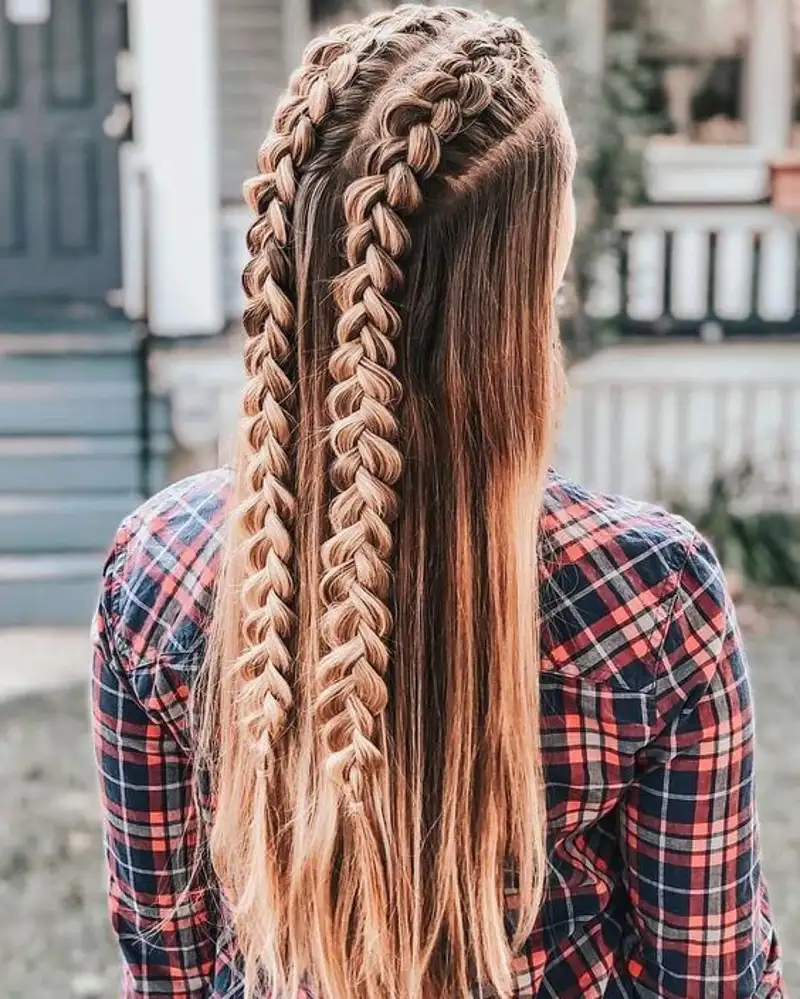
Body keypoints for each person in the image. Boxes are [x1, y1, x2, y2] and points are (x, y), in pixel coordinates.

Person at [91, 6, 784, 998]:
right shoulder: (647, 593)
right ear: (531, 276)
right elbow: (707, 976)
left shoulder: (157, 569)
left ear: (292, 254)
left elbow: (168, 968)